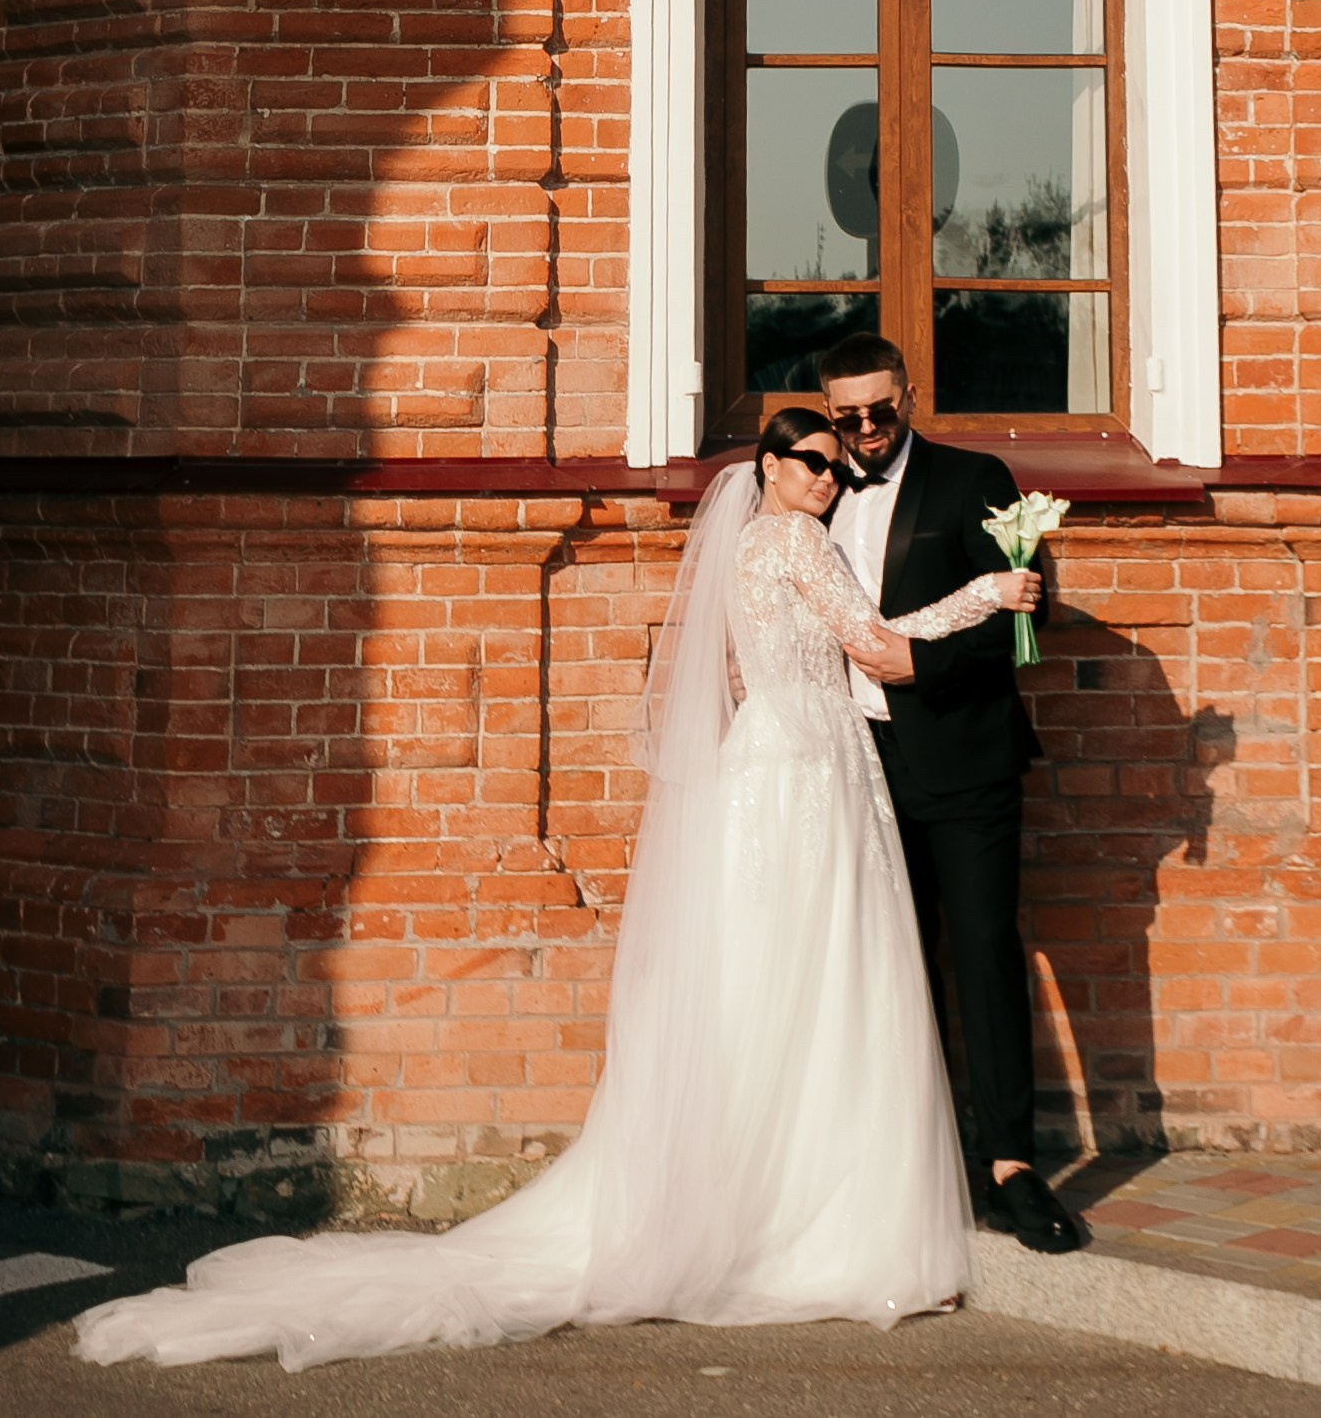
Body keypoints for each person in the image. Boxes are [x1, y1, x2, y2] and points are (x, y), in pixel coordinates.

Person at [73, 408, 1041, 1370]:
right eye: (813, 462)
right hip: (810, 769)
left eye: (837, 468)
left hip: (768, 761)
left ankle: (752, 1204)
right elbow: (870, 641)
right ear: (772, 467)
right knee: (823, 980)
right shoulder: (793, 536)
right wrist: (988, 591)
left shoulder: (750, 544)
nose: (830, 479)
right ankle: (811, 1226)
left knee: (765, 980)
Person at [818, 333, 1086, 1256]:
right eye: (845, 416)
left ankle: (1011, 1164)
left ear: (909, 395)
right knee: (890, 968)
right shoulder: (812, 493)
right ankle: (917, 1165)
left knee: (981, 952)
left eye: (878, 411)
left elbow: (1025, 609)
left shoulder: (978, 474)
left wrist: (918, 661)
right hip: (853, 768)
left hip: (965, 763)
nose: (863, 431)